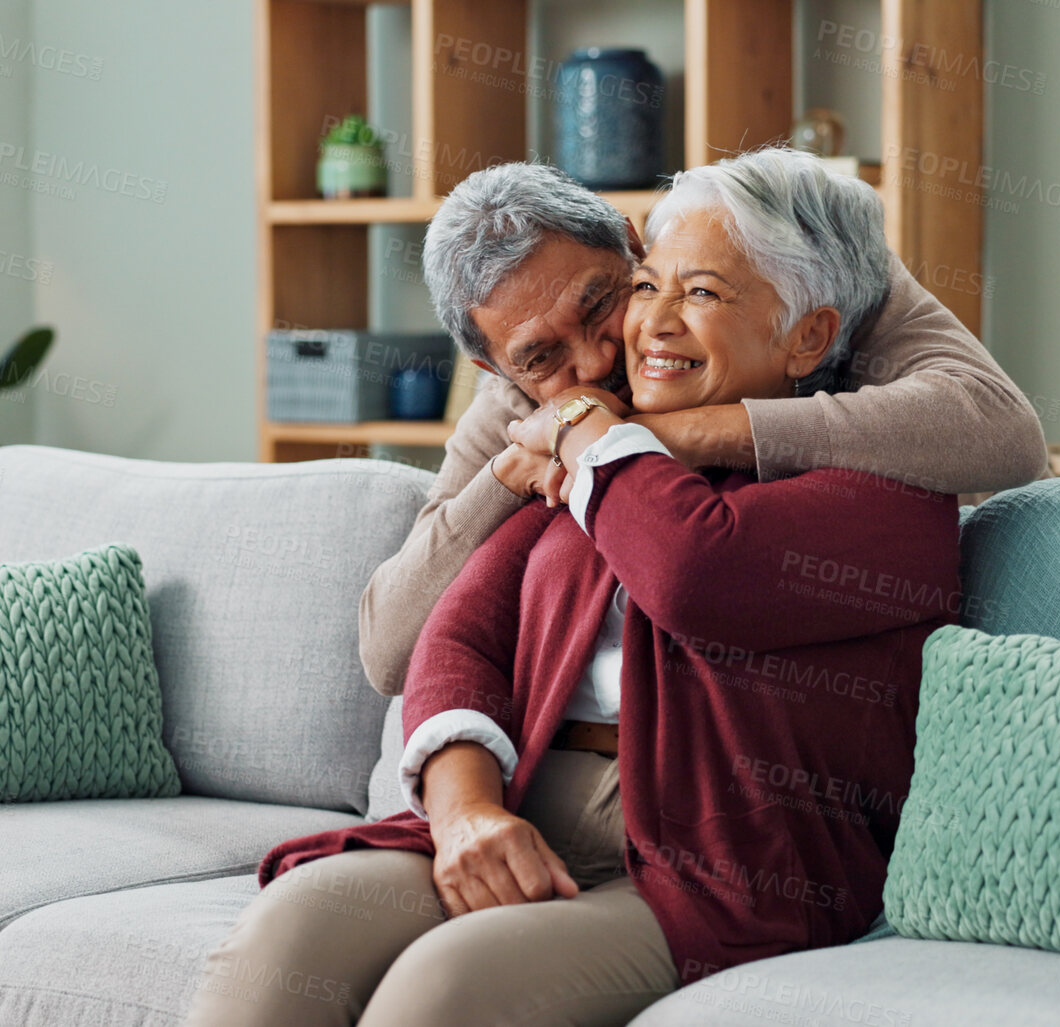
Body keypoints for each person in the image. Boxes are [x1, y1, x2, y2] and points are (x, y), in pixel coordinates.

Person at [183, 147, 964, 1026]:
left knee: (442, 991)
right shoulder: (570, 457)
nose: (630, 341)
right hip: (524, 796)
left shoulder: (880, 485)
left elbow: (691, 570)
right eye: (652, 289)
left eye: (698, 293)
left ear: (808, 336)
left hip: (726, 849)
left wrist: (587, 432)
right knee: (280, 944)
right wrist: (467, 809)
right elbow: (455, 635)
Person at [357, 161, 1044, 698]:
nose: (595, 360)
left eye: (601, 303)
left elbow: (1003, 432)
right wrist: (513, 469)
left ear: (633, 242)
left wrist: (670, 433)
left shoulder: (792, 260)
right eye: (542, 356)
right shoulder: (521, 397)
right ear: (493, 364)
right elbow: (389, 652)